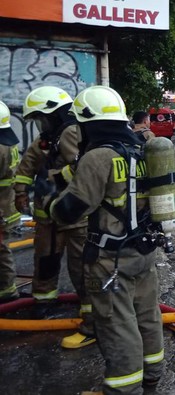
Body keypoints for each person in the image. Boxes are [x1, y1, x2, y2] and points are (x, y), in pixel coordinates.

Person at [48, 86, 165, 393]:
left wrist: (50, 201)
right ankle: (153, 374)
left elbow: (70, 211)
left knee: (117, 324)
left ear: (88, 123)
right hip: (145, 251)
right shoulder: (142, 150)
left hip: (111, 259)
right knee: (147, 316)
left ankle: (123, 389)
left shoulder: (98, 157)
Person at [15, 86, 93, 348]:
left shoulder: (71, 133)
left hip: (73, 214)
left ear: (54, 114)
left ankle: (90, 310)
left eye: (42, 118)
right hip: (48, 216)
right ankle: (43, 299)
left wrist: (56, 178)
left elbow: (82, 165)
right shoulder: (47, 139)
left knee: (80, 264)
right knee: (45, 258)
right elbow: (26, 166)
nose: (40, 124)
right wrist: (21, 192)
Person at [0, 101, 20, 304]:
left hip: (1, 206)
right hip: (7, 203)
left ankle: (6, 289)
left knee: (1, 249)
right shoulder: (9, 142)